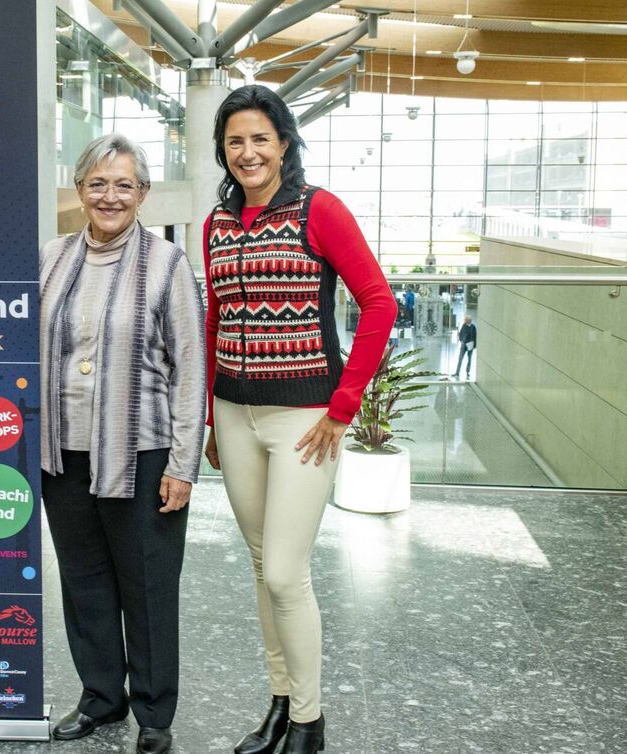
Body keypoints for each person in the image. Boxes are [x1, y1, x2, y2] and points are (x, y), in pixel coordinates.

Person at [202, 85, 396, 754]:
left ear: (284, 142)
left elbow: (379, 304)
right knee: (261, 567)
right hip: (234, 412)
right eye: (235, 141)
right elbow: (216, 319)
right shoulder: (217, 224)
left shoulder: (320, 210)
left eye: (260, 138)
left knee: (286, 572)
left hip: (305, 419)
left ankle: (310, 722)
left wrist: (343, 409)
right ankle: (280, 705)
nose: (248, 151)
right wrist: (209, 418)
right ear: (223, 152)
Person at [39, 133, 206, 754]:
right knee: (83, 582)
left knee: (148, 584)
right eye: (97, 184)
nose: (110, 196)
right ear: (80, 190)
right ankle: (101, 698)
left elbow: (190, 369)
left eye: (124, 185)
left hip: (144, 453)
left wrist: (184, 464)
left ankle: (154, 714)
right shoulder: (50, 257)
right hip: (64, 453)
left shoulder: (167, 264)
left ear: (143, 194)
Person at [454, 314, 477, 379]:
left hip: (470, 345)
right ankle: (457, 372)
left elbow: (475, 337)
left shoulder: (473, 327)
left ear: (469, 321)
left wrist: (474, 345)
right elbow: (461, 333)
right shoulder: (464, 325)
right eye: (465, 320)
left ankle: (467, 372)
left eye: (466, 320)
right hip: (463, 344)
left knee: (469, 359)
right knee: (460, 358)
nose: (465, 321)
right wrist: (461, 340)